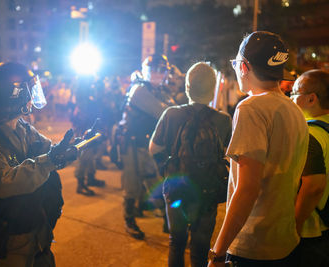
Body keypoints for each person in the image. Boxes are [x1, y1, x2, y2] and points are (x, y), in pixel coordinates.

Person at [208, 31, 309, 267]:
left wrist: (218, 253)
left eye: (235, 63)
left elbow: (247, 189)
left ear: (244, 67)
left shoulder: (251, 109)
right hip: (284, 240)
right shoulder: (294, 110)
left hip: (253, 246)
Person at [0, 62, 77, 266]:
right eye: (29, 90)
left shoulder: (23, 127)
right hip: (13, 234)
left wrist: (78, 144)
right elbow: (5, 182)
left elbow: (50, 150)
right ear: (14, 95)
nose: (32, 96)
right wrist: (50, 161)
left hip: (38, 223)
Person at [149, 62, 232, 266]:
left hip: (177, 190)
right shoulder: (223, 120)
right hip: (208, 193)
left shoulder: (171, 114)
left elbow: (154, 149)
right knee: (200, 249)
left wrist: (167, 169)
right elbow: (230, 156)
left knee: (176, 243)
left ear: (187, 88)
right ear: (213, 90)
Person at [119, 54, 175, 239]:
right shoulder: (140, 90)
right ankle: (129, 220)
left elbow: (172, 107)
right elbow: (165, 112)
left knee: (155, 182)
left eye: (163, 70)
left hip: (148, 144)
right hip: (133, 144)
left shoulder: (159, 90)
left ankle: (166, 222)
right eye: (156, 70)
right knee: (132, 185)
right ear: (147, 71)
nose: (160, 74)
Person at [292, 69, 329, 266]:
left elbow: (314, 186)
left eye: (295, 93)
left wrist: (295, 225)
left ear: (311, 99)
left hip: (313, 229)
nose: (291, 99)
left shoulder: (309, 134)